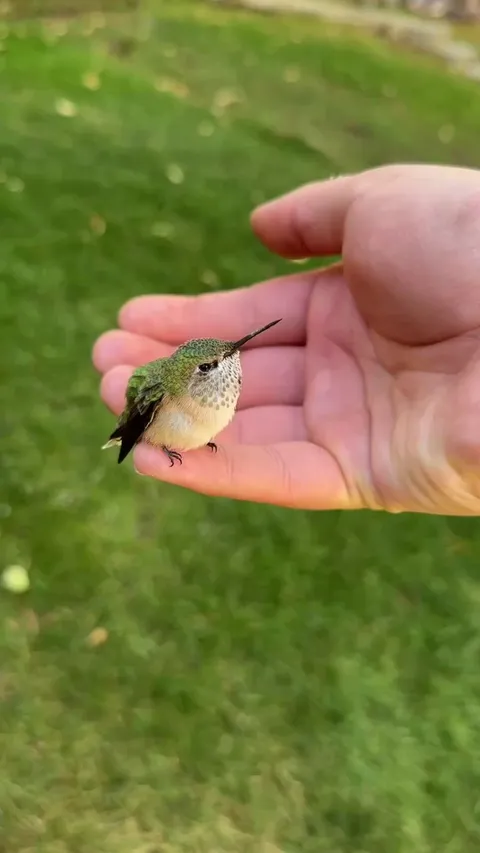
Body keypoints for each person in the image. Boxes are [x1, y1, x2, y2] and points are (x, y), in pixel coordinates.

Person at [92, 164, 480, 515]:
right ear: (191, 376)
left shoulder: (219, 392)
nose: (231, 357)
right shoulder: (163, 392)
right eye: (210, 365)